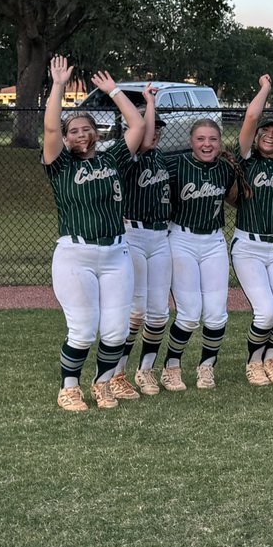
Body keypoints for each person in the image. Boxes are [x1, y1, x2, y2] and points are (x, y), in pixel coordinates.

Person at [43, 56, 146, 411]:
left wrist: (114, 90)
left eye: (87, 128)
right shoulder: (60, 166)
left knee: (116, 331)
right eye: (74, 130)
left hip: (117, 254)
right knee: (84, 330)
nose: (81, 134)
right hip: (76, 254)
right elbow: (51, 130)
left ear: (96, 133)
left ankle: (103, 384)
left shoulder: (111, 159)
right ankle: (69, 387)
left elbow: (136, 125)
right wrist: (58, 86)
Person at [160, 117, 240, 392]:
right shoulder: (174, 165)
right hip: (181, 239)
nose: (207, 144)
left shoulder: (225, 169)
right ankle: (171, 367)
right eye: (201, 139)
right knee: (190, 314)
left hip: (214, 241)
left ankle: (207, 368)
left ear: (220, 142)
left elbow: (233, 197)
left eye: (213, 139)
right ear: (191, 141)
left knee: (217, 315)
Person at [233, 75, 273, 386]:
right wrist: (266, 88)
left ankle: (272, 360)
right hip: (250, 246)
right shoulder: (246, 161)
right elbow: (251, 116)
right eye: (265, 131)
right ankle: (253, 363)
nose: (270, 135)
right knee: (266, 314)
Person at [116, 88, 171, 397]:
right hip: (133, 234)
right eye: (151, 127)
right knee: (135, 312)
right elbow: (143, 138)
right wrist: (149, 102)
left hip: (160, 237)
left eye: (158, 129)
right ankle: (117, 373)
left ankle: (146, 370)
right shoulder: (127, 156)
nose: (155, 134)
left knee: (159, 313)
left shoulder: (164, 160)